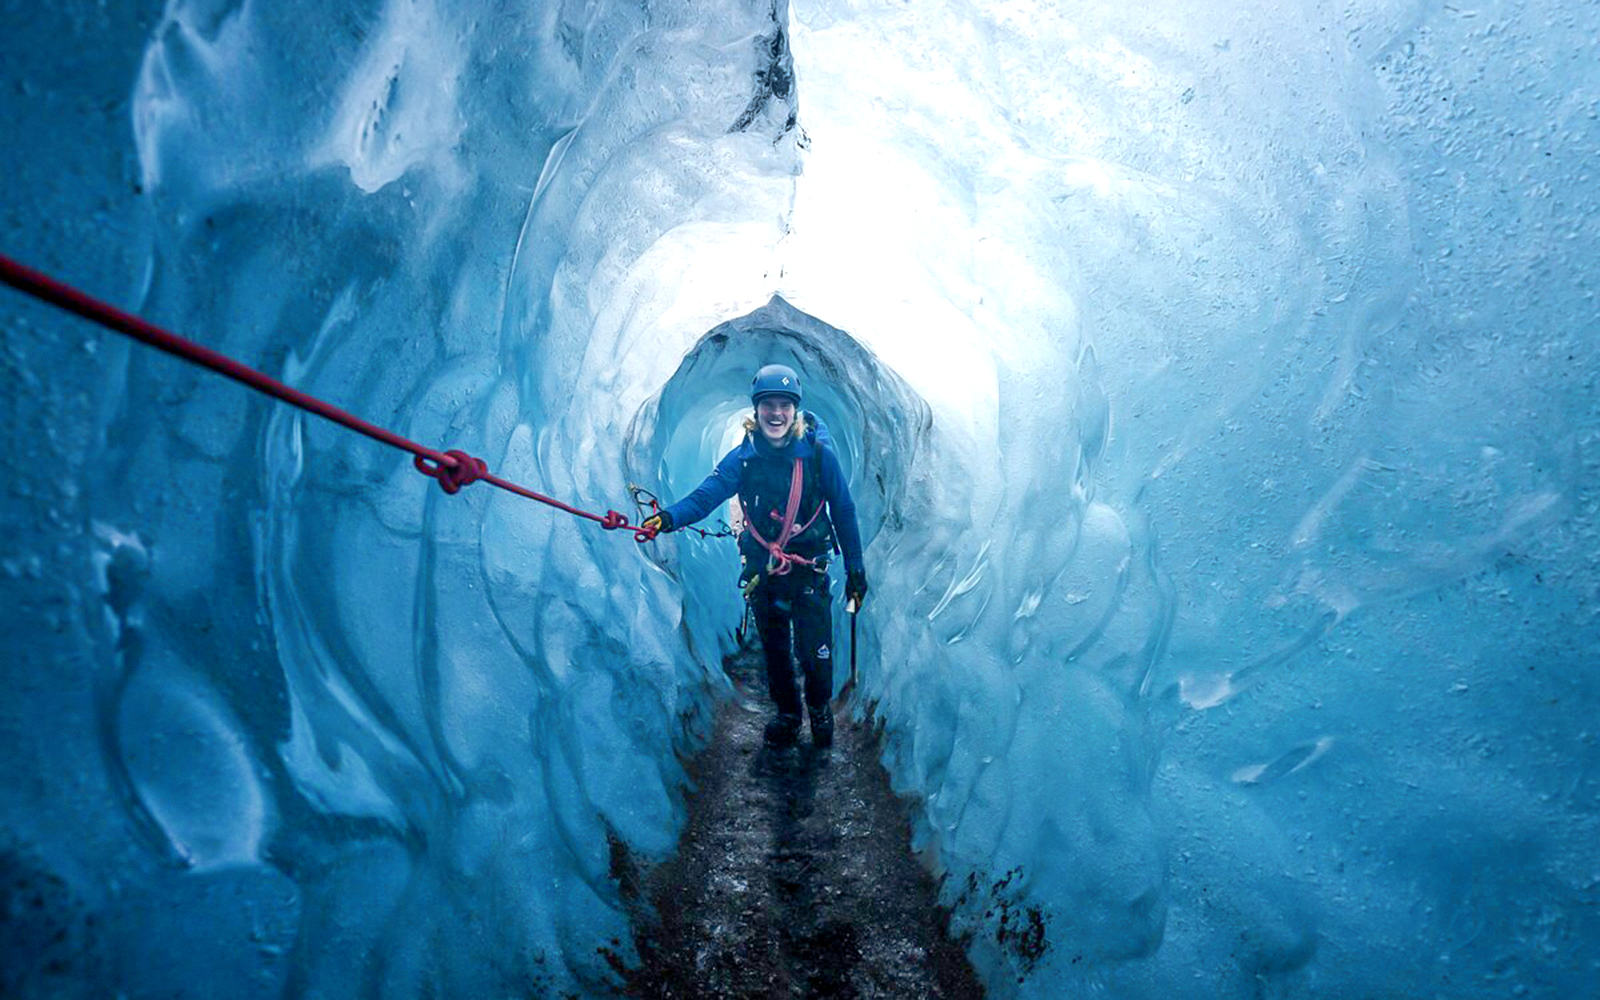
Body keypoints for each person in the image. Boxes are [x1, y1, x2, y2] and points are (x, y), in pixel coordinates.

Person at [644, 364, 867, 747]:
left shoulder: (818, 456)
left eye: (784, 405)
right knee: (777, 650)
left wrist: (855, 568)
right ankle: (787, 714)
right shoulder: (743, 459)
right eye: (768, 405)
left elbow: (843, 511)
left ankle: (819, 709)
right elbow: (705, 497)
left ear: (795, 410)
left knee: (815, 653)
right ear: (756, 410)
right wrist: (665, 519)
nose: (776, 413)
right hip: (764, 570)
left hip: (809, 568)